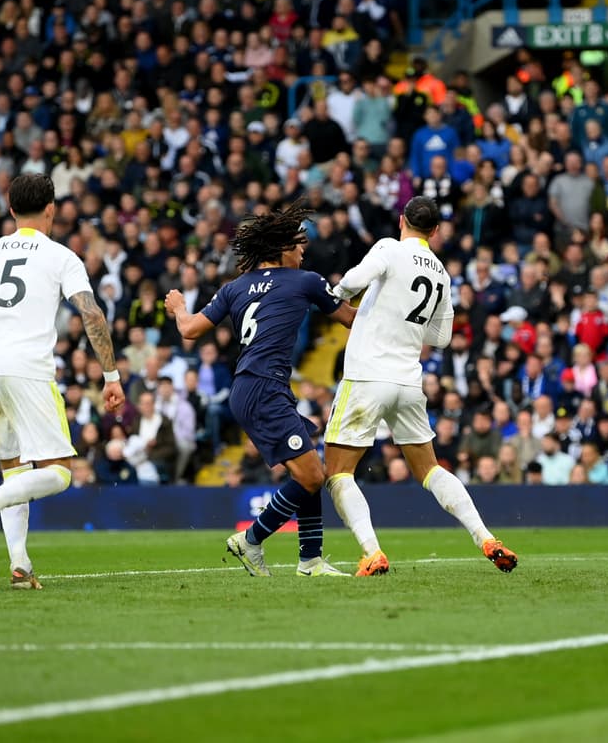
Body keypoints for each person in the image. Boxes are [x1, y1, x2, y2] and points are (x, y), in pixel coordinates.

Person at [0, 175, 125, 589]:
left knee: (15, 469)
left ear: (11, 210)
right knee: (60, 472)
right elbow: (91, 314)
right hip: (26, 368)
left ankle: (20, 565)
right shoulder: (61, 256)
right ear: (52, 208)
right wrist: (111, 375)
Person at [323, 196, 518, 576]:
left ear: (401, 221)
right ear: (436, 231)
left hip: (367, 375)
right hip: (409, 381)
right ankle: (485, 536)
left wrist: (336, 297)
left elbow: (353, 280)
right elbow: (442, 336)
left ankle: (372, 551)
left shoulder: (389, 248)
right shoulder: (442, 273)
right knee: (429, 468)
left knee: (338, 471)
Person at [165, 202, 357, 578]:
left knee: (310, 470)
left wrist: (179, 306)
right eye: (300, 246)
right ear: (284, 248)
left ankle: (310, 561)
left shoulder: (234, 288)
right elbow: (351, 319)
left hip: (248, 387)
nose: (304, 252)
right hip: (265, 389)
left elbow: (188, 330)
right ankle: (251, 539)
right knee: (313, 477)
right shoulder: (305, 281)